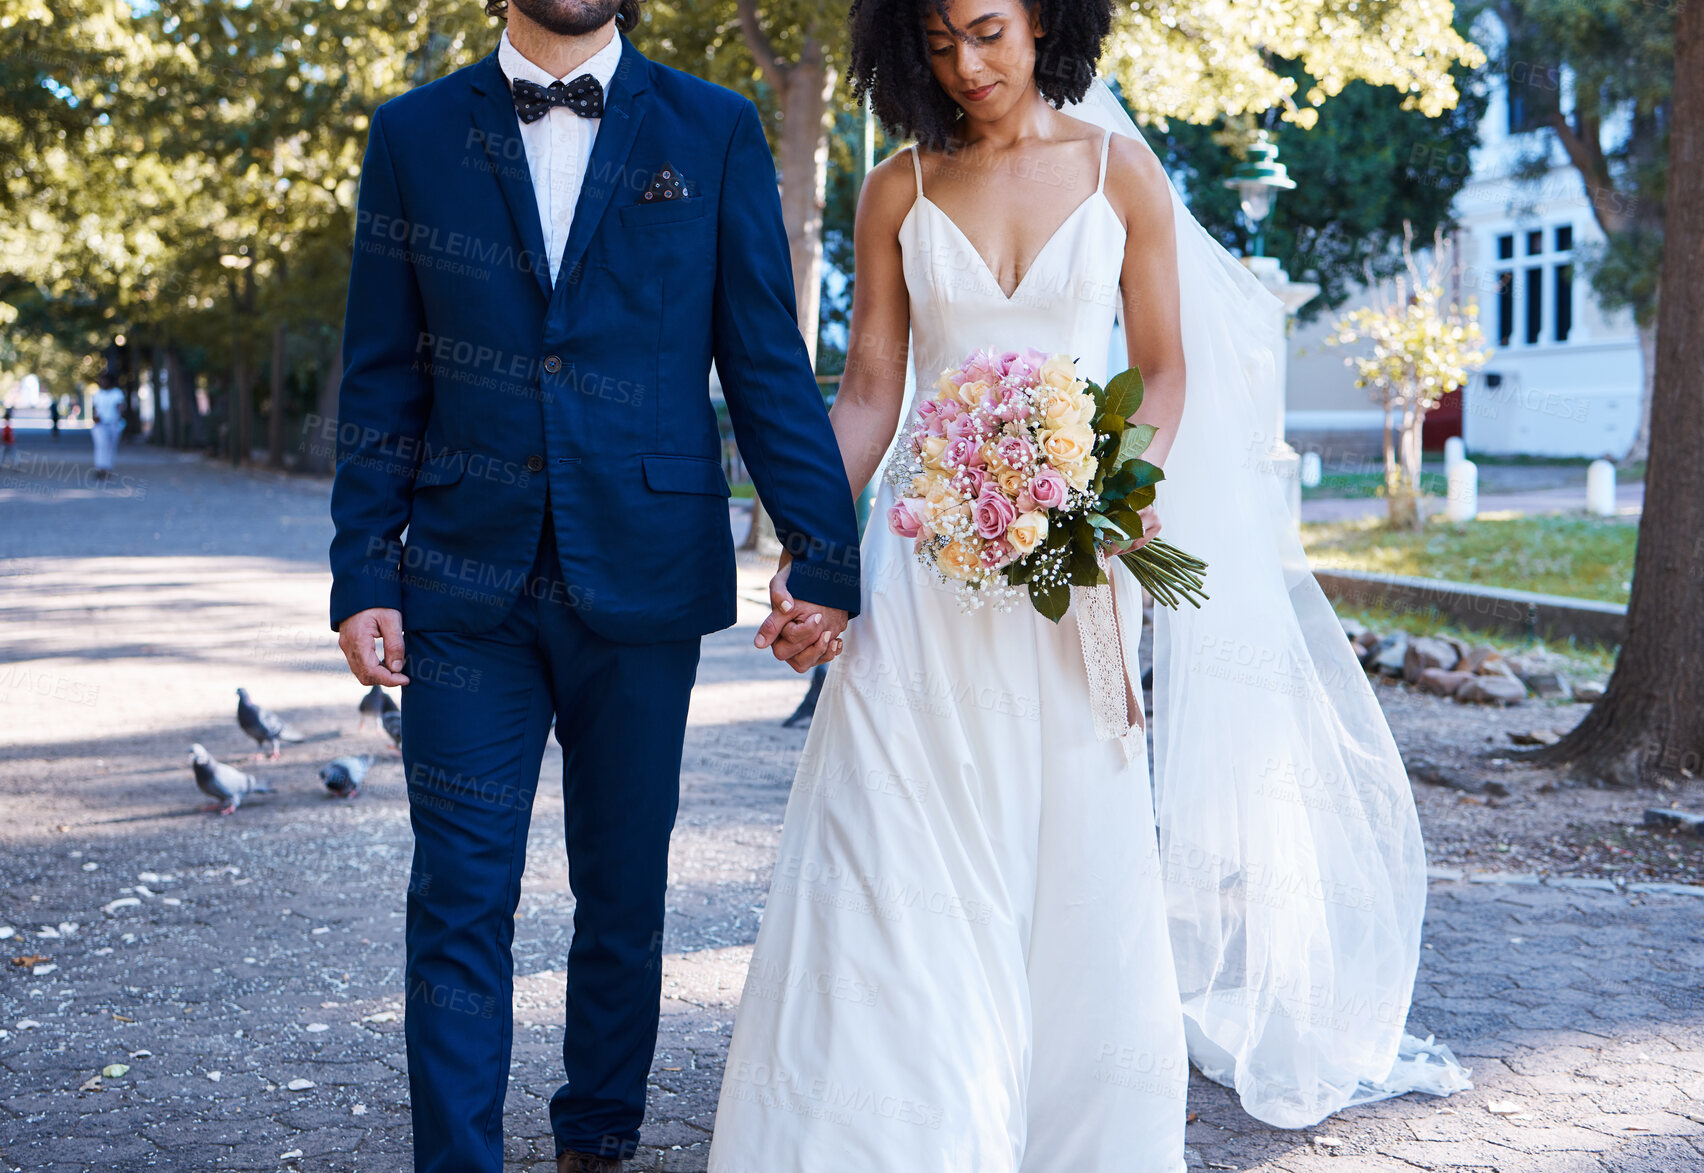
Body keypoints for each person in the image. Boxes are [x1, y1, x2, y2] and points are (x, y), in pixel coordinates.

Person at [711, 1, 1470, 1170]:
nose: (966, 64)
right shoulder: (897, 189)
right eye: (939, 43)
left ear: (1045, 22)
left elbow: (1164, 373)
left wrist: (1110, 487)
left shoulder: (1123, 175)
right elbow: (870, 391)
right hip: (924, 572)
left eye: (989, 31)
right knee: (894, 845)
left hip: (1072, 580)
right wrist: (812, 547)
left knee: (1070, 853)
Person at [325, 0, 859, 1169]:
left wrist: (825, 550)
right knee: (459, 892)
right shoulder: (411, 135)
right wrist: (365, 564)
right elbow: (379, 370)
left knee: (623, 888)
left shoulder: (712, 127)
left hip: (645, 562)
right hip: (465, 580)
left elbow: (764, 355)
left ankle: (599, 1131)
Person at [89, 373, 126, 480]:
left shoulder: (116, 393)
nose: (103, 383)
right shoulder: (98, 394)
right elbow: (94, 408)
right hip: (100, 424)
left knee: (111, 446)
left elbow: (120, 407)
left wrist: (118, 417)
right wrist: (95, 417)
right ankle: (100, 467)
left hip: (113, 424)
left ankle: (108, 467)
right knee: (101, 445)